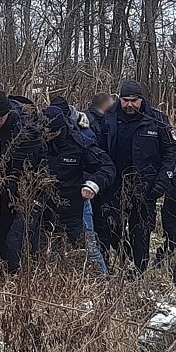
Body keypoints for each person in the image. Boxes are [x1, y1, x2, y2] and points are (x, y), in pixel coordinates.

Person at [94, 80, 176, 273]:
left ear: (141, 99)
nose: (129, 104)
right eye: (126, 100)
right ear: (120, 99)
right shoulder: (108, 118)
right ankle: (122, 256)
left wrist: (162, 181)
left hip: (145, 187)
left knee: (141, 232)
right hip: (114, 186)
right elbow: (98, 148)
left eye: (134, 100)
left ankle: (139, 271)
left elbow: (170, 152)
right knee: (111, 226)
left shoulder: (157, 120)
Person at [39, 98, 115, 272]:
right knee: (49, 250)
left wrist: (93, 184)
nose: (48, 137)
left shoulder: (79, 143)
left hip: (77, 206)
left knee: (90, 249)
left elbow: (107, 167)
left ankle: (104, 284)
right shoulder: (37, 141)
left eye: (52, 134)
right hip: (46, 208)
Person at [0, 90, 47, 273]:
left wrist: (7, 177)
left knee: (18, 237)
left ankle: (22, 275)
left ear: (7, 114)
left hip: (29, 185)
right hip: (3, 182)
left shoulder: (26, 128)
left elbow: (31, 165)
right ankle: (1, 271)